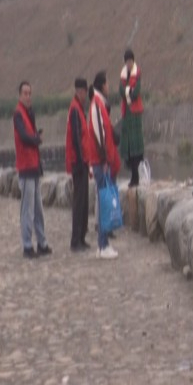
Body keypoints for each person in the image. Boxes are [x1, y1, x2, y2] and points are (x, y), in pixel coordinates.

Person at [14, 81, 49, 259]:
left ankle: (42, 242)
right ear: (20, 95)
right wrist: (37, 138)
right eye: (25, 93)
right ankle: (27, 245)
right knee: (27, 209)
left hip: (34, 166)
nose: (28, 96)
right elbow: (24, 136)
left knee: (38, 208)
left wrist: (35, 138)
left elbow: (31, 136)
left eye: (30, 93)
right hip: (26, 167)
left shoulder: (29, 113)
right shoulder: (18, 114)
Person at [89, 70, 122, 259]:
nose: (109, 87)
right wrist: (105, 159)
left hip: (101, 161)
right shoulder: (97, 105)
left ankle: (103, 243)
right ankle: (103, 245)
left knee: (103, 201)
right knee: (104, 203)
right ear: (102, 85)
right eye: (107, 84)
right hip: (101, 161)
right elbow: (100, 135)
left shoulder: (97, 104)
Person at [66, 78, 96, 253]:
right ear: (80, 91)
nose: (85, 95)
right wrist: (81, 160)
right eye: (84, 92)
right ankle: (75, 239)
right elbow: (77, 138)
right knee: (79, 202)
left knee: (83, 201)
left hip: (83, 161)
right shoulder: (75, 110)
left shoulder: (78, 108)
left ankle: (81, 237)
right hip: (79, 162)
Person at [118, 49, 145, 188]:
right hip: (126, 113)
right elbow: (121, 91)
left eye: (130, 61)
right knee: (128, 148)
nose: (128, 64)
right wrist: (129, 92)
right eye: (127, 61)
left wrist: (127, 93)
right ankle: (133, 175)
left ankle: (136, 177)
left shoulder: (137, 73)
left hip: (134, 113)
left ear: (133, 61)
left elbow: (136, 92)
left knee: (135, 149)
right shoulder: (123, 75)